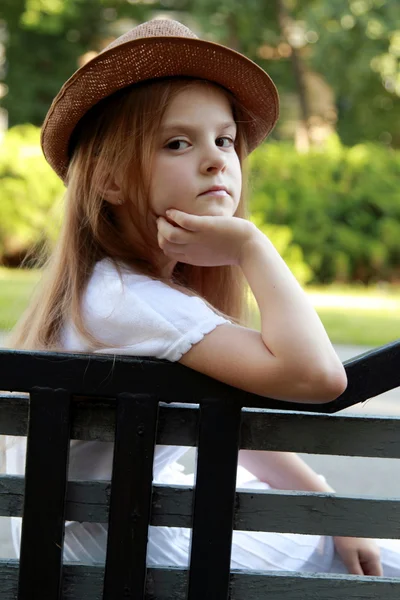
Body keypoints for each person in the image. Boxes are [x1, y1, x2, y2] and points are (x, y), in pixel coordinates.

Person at [4, 18, 400, 576]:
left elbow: (227, 424)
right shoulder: (132, 301)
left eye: (225, 140)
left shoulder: (121, 293)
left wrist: (327, 505)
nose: (217, 159)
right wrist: (253, 247)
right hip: (125, 549)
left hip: (112, 532)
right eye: (177, 142)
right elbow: (321, 377)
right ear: (110, 180)